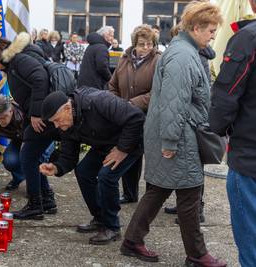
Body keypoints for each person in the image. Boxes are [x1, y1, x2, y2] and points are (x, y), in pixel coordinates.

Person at [120, 2, 226, 266]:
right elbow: (173, 103)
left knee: (158, 189)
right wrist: (169, 142)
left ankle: (132, 241)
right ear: (195, 27)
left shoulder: (185, 50)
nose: (213, 35)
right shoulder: (182, 56)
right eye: (211, 30)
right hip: (179, 135)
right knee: (189, 194)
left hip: (176, 132)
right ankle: (197, 254)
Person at [39, 88, 145, 245]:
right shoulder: (67, 124)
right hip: (104, 145)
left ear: (68, 108)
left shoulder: (98, 101)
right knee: (83, 171)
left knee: (106, 176)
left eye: (56, 119)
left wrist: (122, 149)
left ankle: (112, 227)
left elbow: (136, 118)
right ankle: (100, 218)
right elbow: (69, 157)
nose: (56, 125)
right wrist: (56, 168)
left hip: (130, 142)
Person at [0, 32, 59, 220]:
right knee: (31, 156)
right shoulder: (14, 64)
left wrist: (35, 113)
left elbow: (40, 78)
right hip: (41, 114)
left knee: (28, 156)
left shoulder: (19, 60)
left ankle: (36, 205)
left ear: (1, 53)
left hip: (43, 115)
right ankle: (46, 200)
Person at [209, 1, 256, 265]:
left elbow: (225, 96)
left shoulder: (247, 38)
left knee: (250, 237)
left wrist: (216, 128)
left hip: (249, 157)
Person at [164, 24, 216, 222]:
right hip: (193, 114)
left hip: (194, 117)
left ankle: (197, 209)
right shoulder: (192, 53)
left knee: (194, 165)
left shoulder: (196, 55)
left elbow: (199, 89)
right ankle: (185, 206)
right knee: (187, 165)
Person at [108, 24, 161, 204]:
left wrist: (133, 103)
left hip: (149, 117)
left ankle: (152, 198)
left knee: (152, 158)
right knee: (129, 151)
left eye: (150, 44)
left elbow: (159, 91)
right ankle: (130, 194)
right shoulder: (124, 60)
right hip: (126, 117)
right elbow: (112, 85)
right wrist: (118, 104)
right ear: (134, 44)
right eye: (142, 44)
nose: (146, 48)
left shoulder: (158, 61)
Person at [0, 95, 54, 192]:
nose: (0, 122)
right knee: (10, 160)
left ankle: (39, 188)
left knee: (36, 159)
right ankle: (19, 178)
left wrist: (27, 150)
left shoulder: (24, 112)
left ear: (11, 110)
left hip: (42, 138)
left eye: (3, 117)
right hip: (19, 141)